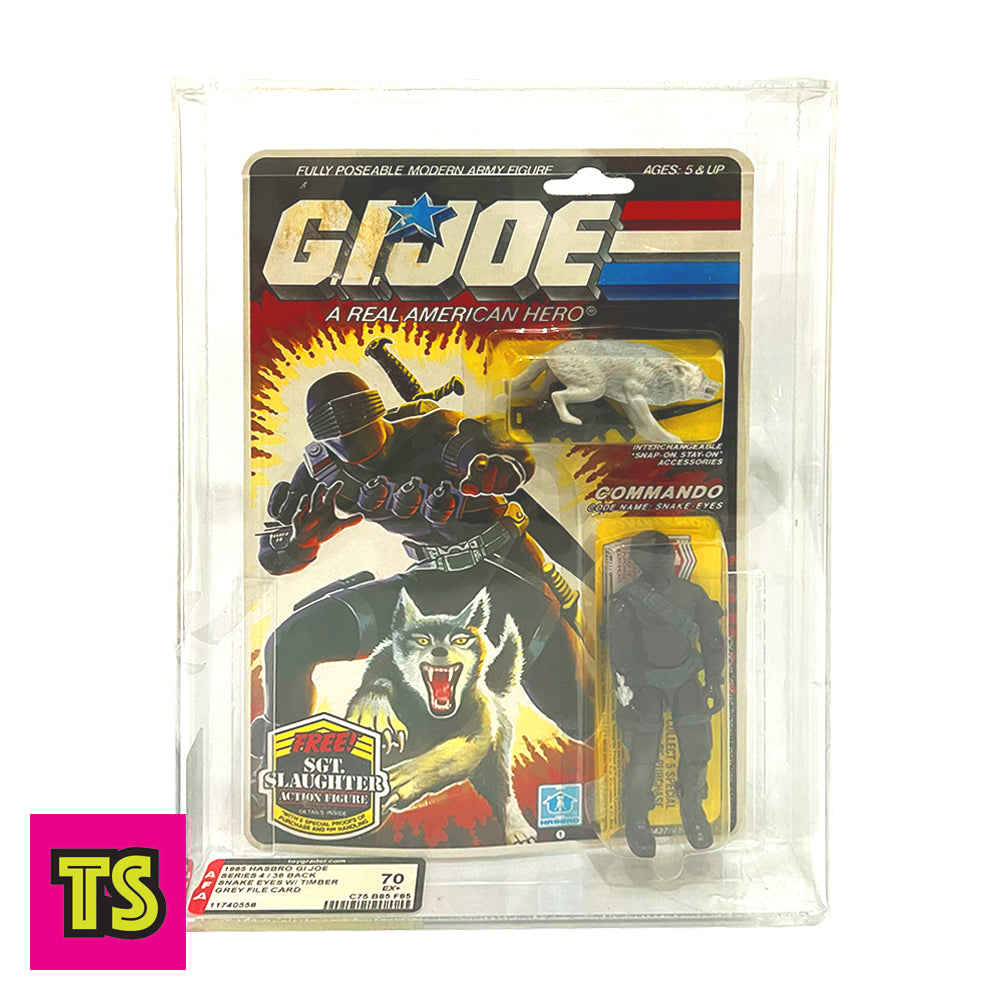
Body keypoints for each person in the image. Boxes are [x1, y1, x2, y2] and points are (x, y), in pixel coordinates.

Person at [607, 530, 726, 855]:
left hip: (686, 677)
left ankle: (693, 808)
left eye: (664, 555)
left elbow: (712, 638)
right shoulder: (628, 600)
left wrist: (713, 680)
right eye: (652, 558)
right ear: (638, 562)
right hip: (645, 683)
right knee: (643, 756)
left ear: (673, 556)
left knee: (698, 749)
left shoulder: (692, 594)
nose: (660, 563)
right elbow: (620, 651)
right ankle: (636, 818)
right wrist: (624, 694)